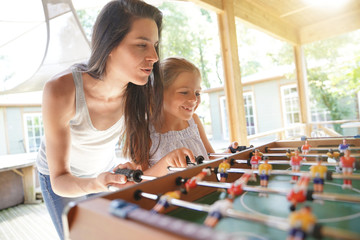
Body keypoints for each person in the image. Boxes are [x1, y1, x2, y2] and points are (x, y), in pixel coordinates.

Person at [35, 1, 183, 239]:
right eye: (141, 44)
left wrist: (129, 168)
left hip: (103, 170)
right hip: (61, 178)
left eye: (154, 46)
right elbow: (59, 179)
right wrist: (96, 183)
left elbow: (141, 155)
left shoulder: (140, 91)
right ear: (110, 44)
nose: (154, 57)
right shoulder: (61, 91)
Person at [147, 57, 239, 175]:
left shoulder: (193, 121)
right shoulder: (145, 132)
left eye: (197, 93)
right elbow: (140, 180)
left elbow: (209, 159)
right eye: (184, 92)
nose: (194, 99)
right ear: (158, 93)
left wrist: (227, 154)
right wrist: (165, 163)